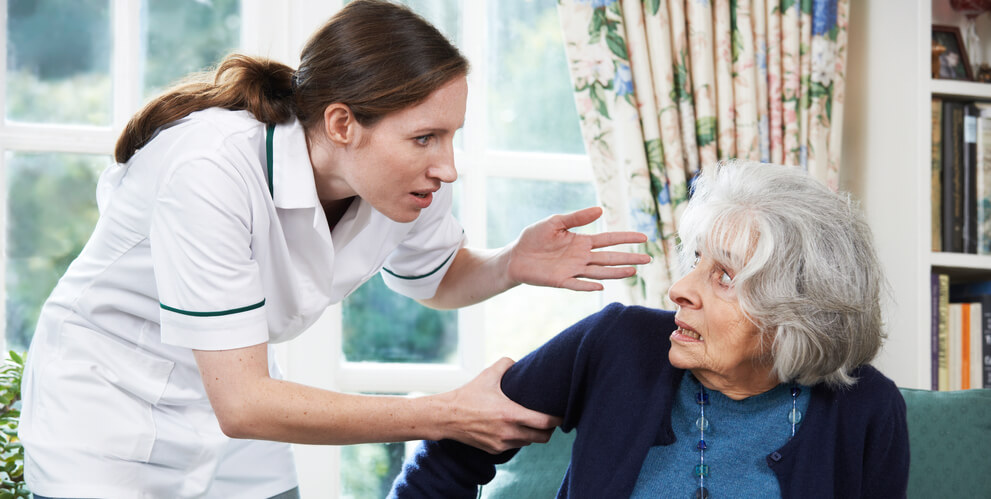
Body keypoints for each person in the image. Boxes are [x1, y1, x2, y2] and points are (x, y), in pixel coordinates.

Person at [18, 1, 652, 498]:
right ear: (343, 124)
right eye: (426, 137)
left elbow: (435, 280)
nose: (448, 166)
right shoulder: (210, 167)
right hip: (110, 413)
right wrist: (445, 415)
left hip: (236, 407)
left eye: (451, 136)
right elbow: (243, 403)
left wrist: (511, 262)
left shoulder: (399, 182)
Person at [390, 160, 910, 498]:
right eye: (696, 259)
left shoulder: (867, 409)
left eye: (725, 276)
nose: (680, 288)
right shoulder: (619, 343)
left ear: (799, 312)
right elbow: (450, 454)